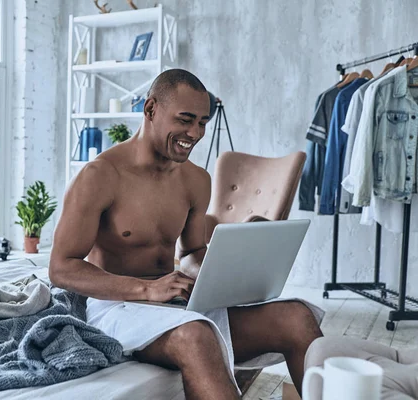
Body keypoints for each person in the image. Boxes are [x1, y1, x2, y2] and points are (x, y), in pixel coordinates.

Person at [49, 69, 323, 400]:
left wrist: (227, 271)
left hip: (174, 303)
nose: (195, 133)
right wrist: (146, 289)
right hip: (115, 306)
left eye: (203, 122)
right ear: (150, 110)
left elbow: (192, 252)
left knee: (296, 316)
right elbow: (61, 268)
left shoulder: (196, 180)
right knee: (196, 335)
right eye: (185, 120)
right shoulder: (99, 176)